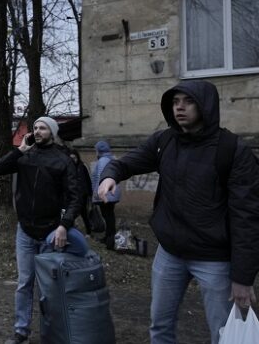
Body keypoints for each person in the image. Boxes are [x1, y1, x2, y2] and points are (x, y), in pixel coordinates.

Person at [97, 80, 259, 344]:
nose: (179, 108)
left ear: (205, 105)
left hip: (214, 259)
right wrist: (109, 175)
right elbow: (128, 161)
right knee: (159, 326)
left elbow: (248, 217)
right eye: (175, 102)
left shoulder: (232, 150)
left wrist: (242, 277)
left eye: (188, 101)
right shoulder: (164, 141)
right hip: (169, 253)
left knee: (224, 333)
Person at [0, 116, 81, 344]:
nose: (38, 131)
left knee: (49, 288)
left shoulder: (63, 160)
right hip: (25, 230)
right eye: (35, 128)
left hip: (51, 232)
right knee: (24, 283)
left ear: (52, 132)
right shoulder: (25, 156)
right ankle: (21, 332)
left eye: (43, 128)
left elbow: (75, 197)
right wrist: (19, 151)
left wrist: (64, 225)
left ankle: (51, 334)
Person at [91, 141, 121, 249]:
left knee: (108, 216)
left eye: (96, 150)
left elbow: (101, 177)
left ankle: (110, 240)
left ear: (99, 150)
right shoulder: (111, 158)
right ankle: (109, 238)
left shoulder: (103, 160)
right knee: (109, 216)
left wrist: (97, 195)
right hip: (111, 193)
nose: (95, 152)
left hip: (105, 194)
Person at [69, 148, 93, 236]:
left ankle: (89, 232)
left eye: (74, 158)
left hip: (83, 194)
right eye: (71, 158)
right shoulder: (68, 168)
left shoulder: (82, 167)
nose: (73, 160)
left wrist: (90, 194)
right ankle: (71, 230)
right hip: (73, 194)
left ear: (77, 158)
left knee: (84, 213)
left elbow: (87, 180)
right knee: (72, 213)